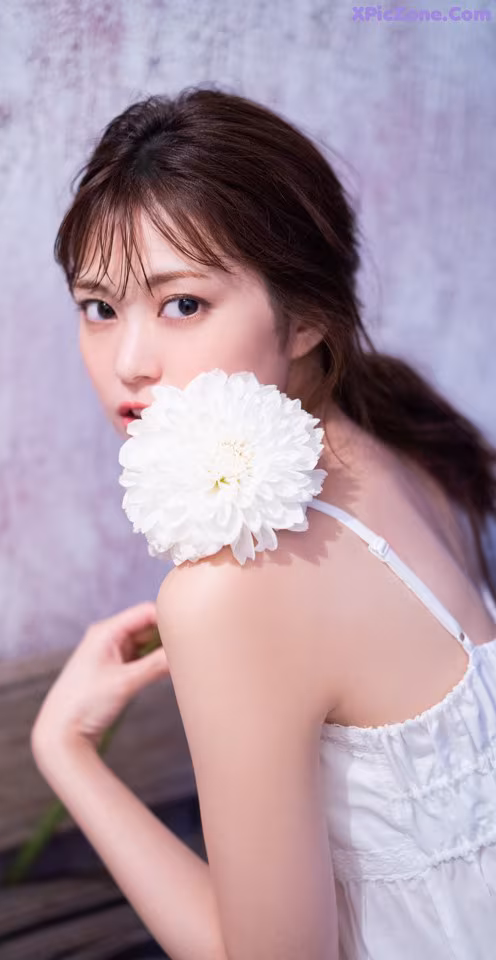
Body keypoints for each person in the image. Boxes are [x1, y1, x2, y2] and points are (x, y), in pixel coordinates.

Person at [31, 86, 496, 959]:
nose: (129, 363)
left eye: (183, 305)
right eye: (99, 307)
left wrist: (65, 751)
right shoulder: (392, 431)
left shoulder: (230, 594)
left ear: (307, 318)